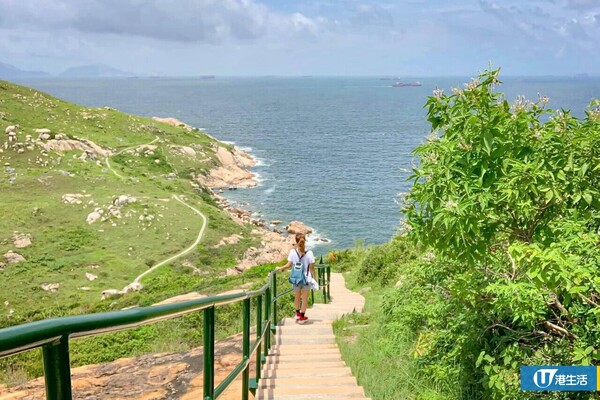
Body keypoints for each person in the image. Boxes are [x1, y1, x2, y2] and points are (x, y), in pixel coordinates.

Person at [276, 233, 315, 324]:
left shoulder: (293, 252)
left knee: (297, 296)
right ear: (305, 241)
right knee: (304, 298)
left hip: (296, 278)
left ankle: (297, 314)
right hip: (306, 278)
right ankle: (302, 317)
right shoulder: (310, 253)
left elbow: (288, 265)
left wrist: (279, 268)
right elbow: (312, 268)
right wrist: (314, 278)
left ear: (296, 241)